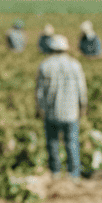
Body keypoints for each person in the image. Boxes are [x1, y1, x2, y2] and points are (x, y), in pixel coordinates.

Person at [35, 35, 87, 178]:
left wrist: (39, 108)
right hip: (71, 112)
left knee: (53, 143)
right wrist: (83, 106)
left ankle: (55, 173)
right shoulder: (75, 64)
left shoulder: (45, 65)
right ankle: (74, 175)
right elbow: (81, 89)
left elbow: (39, 92)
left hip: (52, 111)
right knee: (72, 143)